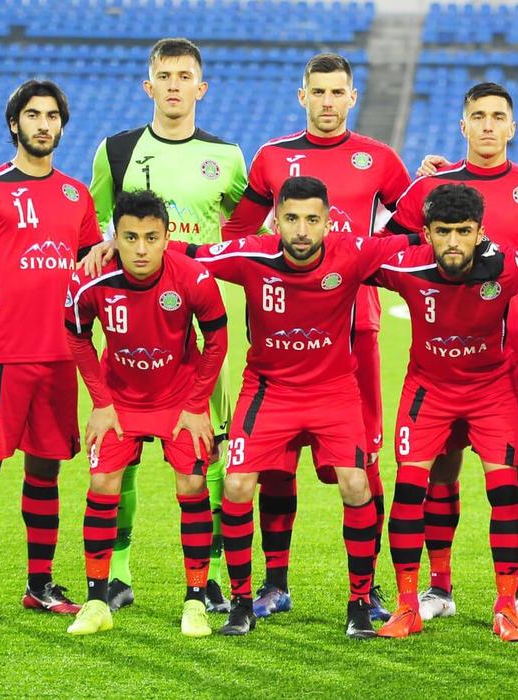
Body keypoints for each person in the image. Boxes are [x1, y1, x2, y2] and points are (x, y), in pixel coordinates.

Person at [176, 176, 416, 639]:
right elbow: (191, 253)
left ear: (327, 222)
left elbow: (418, 242)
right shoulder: (252, 254)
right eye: (290, 219)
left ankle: (359, 602)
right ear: (275, 222)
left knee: (356, 482)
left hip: (334, 390)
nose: (301, 230)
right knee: (238, 483)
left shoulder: (352, 252)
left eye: (311, 220)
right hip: (269, 390)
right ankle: (241, 604)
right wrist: (113, 246)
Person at [221, 52, 411, 622]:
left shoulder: (379, 159)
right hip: (282, 329)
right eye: (318, 92)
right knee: (275, 464)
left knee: (363, 461)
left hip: (357, 328)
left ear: (353, 97)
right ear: (303, 96)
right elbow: (238, 230)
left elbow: (413, 225)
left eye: (337, 92)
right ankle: (275, 582)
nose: (328, 102)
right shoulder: (272, 158)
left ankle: (367, 588)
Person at [388, 82, 518, 624]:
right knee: (439, 470)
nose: (488, 125)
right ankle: (439, 586)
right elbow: (391, 248)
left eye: (498, 116)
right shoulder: (431, 187)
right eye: (479, 116)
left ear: (512, 127)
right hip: (444, 359)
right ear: (463, 125)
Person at [89, 37, 251, 614]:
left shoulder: (227, 156)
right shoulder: (116, 151)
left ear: (201, 88)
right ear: (149, 86)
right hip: (132, 328)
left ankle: (209, 577)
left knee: (208, 450)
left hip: (203, 329)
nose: (175, 85)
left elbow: (253, 226)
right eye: (165, 76)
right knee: (121, 452)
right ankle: (118, 572)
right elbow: (95, 228)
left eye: (185, 76)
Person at [370, 184, 518, 641]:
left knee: (506, 493)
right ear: (426, 233)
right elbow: (345, 259)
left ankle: (506, 606)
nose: (453, 241)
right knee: (409, 490)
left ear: (479, 232)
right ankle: (408, 605)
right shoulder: (405, 265)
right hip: (428, 392)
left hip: (492, 391)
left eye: (463, 231)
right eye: (442, 231)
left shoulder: (508, 266)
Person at [0, 80, 101, 621]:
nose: (44, 124)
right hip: (1, 357)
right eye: (33, 115)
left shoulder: (77, 195)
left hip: (60, 358)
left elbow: (91, 276)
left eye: (52, 116)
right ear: (15, 124)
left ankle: (40, 584)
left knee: (45, 473)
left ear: (61, 124)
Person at [64, 190, 227, 637]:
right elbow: (77, 336)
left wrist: (196, 405)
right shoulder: (91, 279)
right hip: (119, 401)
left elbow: (217, 340)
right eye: (130, 237)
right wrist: (100, 402)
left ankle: (195, 601)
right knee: (102, 482)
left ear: (167, 236)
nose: (141, 249)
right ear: (114, 237)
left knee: (193, 484)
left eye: (151, 238)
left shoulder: (192, 277)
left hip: (179, 399)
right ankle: (97, 602)